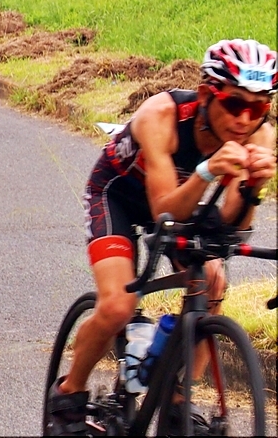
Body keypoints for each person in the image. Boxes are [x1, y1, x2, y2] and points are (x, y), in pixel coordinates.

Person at [47, 38, 277, 436]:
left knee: (212, 283)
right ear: (206, 94)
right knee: (118, 305)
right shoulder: (160, 116)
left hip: (180, 200)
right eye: (234, 104)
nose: (244, 119)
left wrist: (252, 187)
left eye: (258, 108)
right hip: (118, 194)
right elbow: (164, 212)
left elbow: (230, 224)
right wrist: (208, 171)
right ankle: (69, 395)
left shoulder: (259, 136)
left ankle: (177, 402)